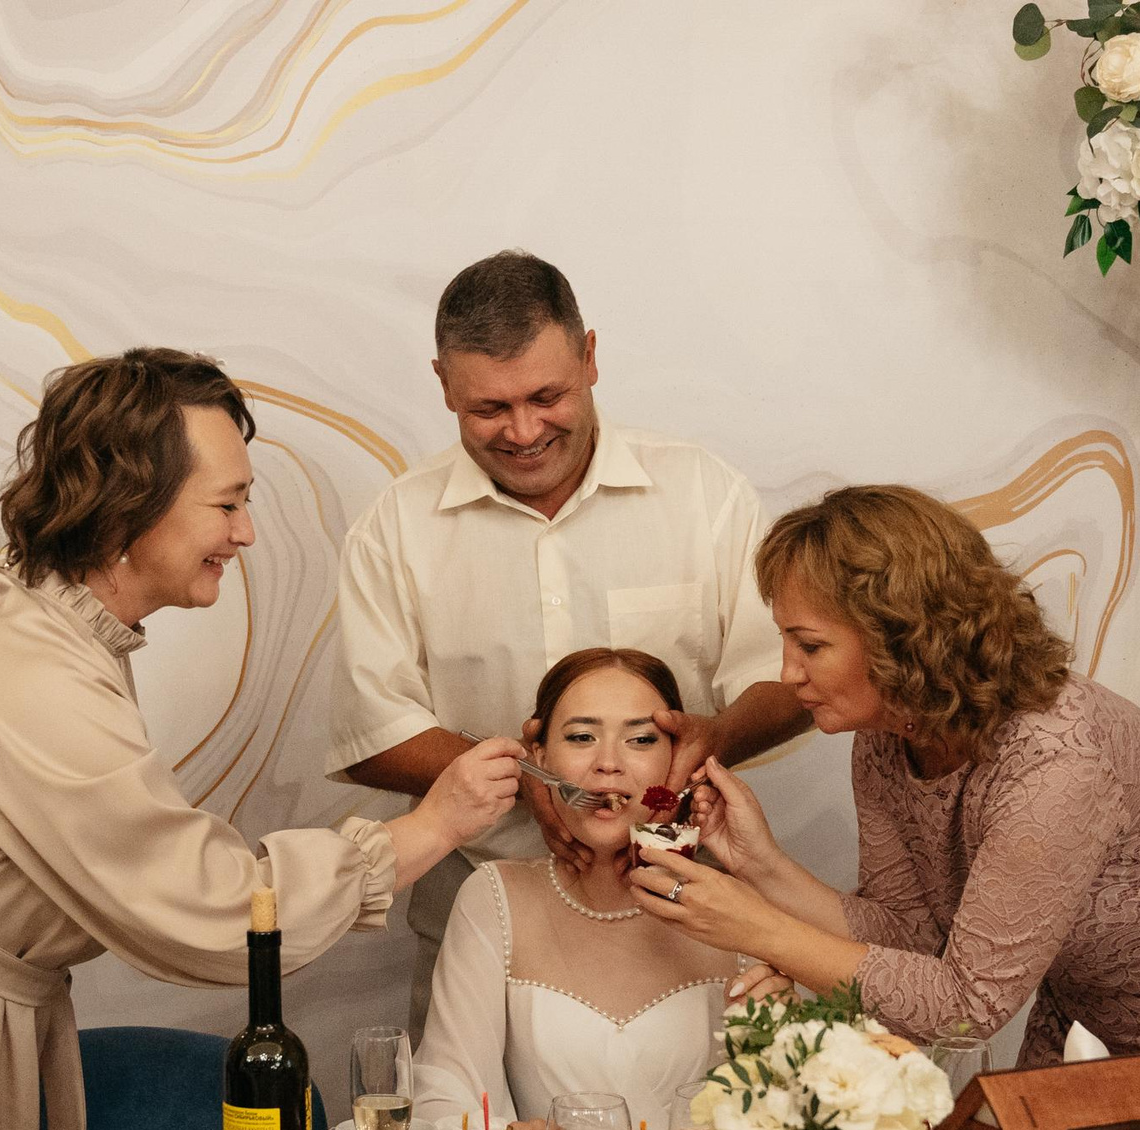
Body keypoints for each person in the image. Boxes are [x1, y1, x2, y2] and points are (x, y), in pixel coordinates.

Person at [0, 349, 521, 1130]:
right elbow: (207, 905)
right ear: (130, 505)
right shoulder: (32, 667)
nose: (244, 532)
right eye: (228, 503)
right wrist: (431, 825)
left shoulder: (58, 631)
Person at [633, 484, 1140, 1126]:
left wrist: (759, 929)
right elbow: (911, 933)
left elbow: (965, 1008)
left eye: (809, 644)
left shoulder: (1058, 760)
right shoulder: (884, 733)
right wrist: (762, 866)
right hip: (1090, 1004)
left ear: (900, 636)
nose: (786, 674)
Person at [326, 251, 811, 1033]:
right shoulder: (396, 526)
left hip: (685, 907)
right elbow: (369, 734)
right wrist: (527, 779)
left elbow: (790, 679)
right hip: (472, 912)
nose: (523, 431)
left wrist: (714, 734)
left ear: (590, 356)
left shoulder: (701, 493)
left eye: (546, 395)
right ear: (444, 384)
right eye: (488, 408)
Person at [415, 648, 746, 1130]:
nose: (607, 762)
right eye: (581, 737)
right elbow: (443, 1096)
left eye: (641, 739)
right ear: (539, 762)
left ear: (680, 763)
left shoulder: (736, 908)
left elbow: (784, 1122)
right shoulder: (493, 898)